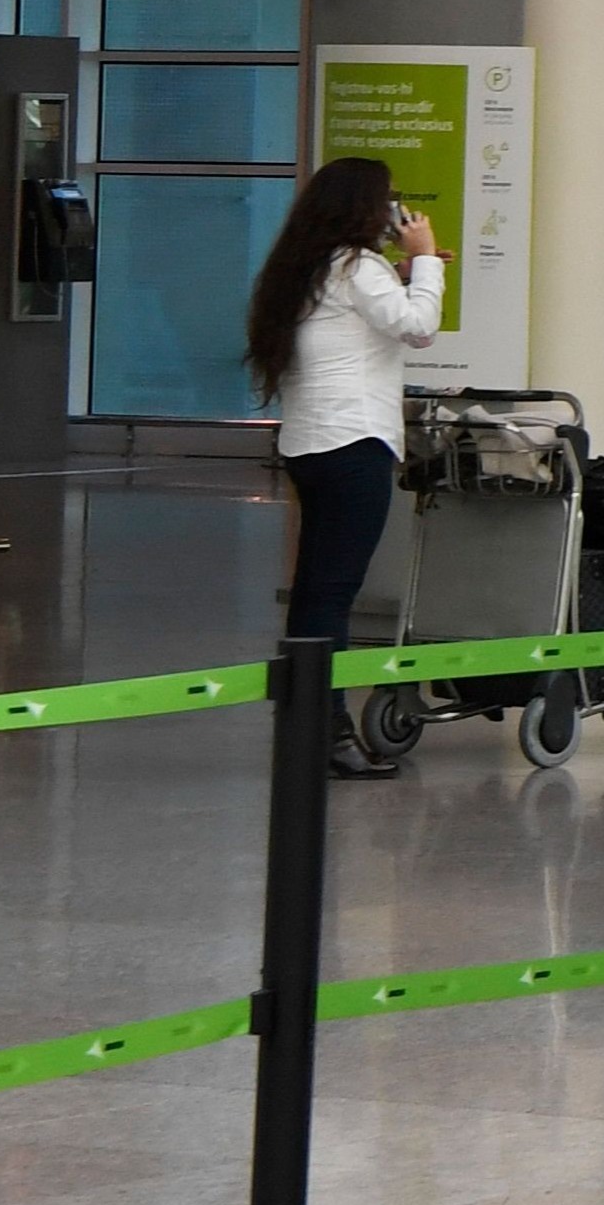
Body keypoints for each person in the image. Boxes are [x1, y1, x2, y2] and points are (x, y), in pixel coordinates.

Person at [243, 156, 442, 779]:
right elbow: (419, 327)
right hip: (355, 442)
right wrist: (428, 260)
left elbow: (370, 326)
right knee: (333, 594)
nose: (396, 213)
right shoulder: (358, 266)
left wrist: (407, 273)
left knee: (314, 590)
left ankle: (305, 725)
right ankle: (328, 732)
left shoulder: (307, 267)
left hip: (311, 444)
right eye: (389, 201)